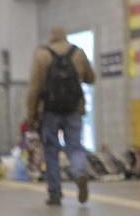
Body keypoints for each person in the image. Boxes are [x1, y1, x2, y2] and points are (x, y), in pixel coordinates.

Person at [26, 26, 95, 206]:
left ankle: (55, 194)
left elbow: (34, 88)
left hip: (50, 111)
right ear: (65, 37)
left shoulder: (42, 55)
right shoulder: (78, 53)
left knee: (51, 151)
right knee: (75, 146)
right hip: (73, 109)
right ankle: (80, 172)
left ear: (50, 38)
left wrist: (31, 114)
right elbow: (91, 78)